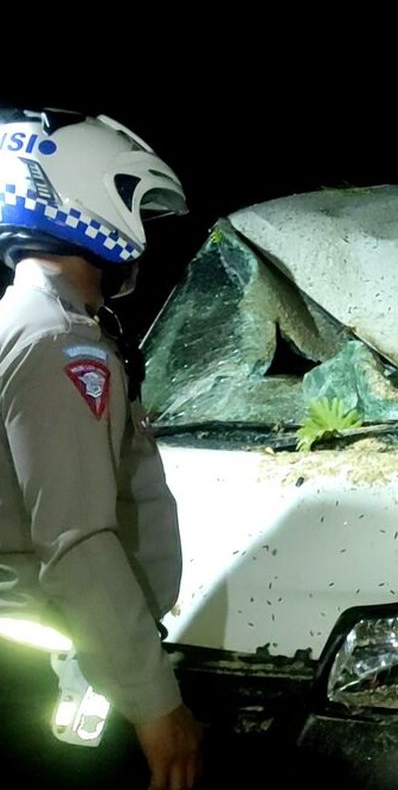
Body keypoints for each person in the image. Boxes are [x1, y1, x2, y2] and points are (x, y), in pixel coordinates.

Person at [0, 108, 201, 790]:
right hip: (58, 680)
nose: (142, 232)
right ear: (91, 196)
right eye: (137, 203)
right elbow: (78, 541)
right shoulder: (61, 341)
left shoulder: (18, 322)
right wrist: (157, 706)